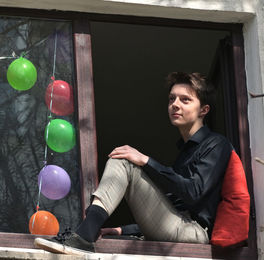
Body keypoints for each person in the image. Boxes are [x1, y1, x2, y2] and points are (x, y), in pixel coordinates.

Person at [34, 72, 233, 255]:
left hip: (194, 232)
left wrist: (146, 161)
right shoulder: (184, 151)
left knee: (125, 161)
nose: (175, 104)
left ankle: (85, 235)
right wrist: (121, 230)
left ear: (204, 110)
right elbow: (170, 208)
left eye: (185, 100)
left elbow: (194, 192)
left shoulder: (216, 144)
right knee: (124, 158)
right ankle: (87, 232)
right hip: (176, 226)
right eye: (172, 98)